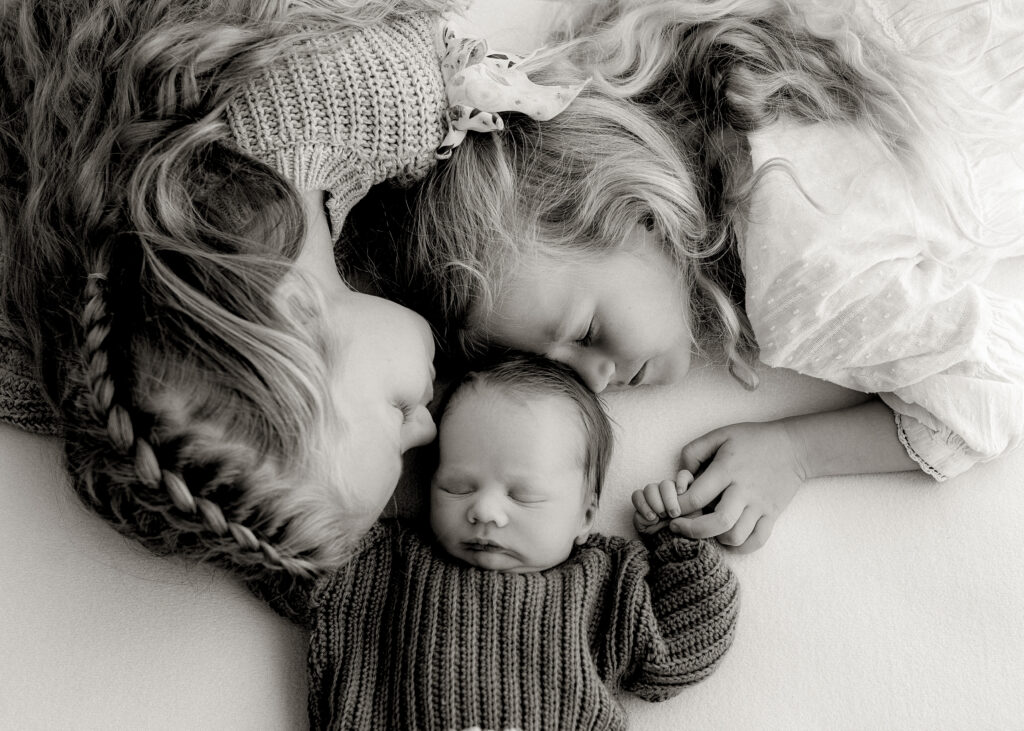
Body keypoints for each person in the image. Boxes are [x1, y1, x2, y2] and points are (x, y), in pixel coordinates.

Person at [0, 0, 592, 578]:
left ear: (298, 312)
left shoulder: (383, 96)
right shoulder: (127, 252)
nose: (430, 427)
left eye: (398, 417)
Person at [410, 0, 1024, 552]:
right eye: (561, 370)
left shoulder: (797, 277)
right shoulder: (697, 40)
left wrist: (795, 453)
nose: (594, 382)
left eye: (588, 331)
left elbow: (991, 392)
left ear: (639, 209)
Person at [262, 353, 738, 729]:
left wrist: (678, 539)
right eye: (457, 487)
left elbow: (686, 646)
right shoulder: (381, 565)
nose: (485, 510)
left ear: (586, 515)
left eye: (523, 495)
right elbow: (277, 552)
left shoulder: (608, 586)